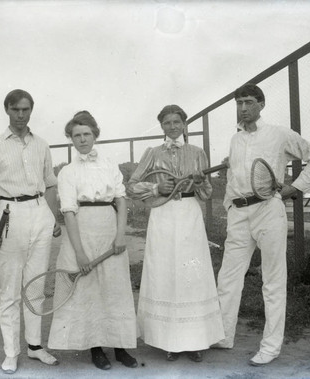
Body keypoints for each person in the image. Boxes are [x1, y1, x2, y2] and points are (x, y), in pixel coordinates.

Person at [214, 83, 310, 366]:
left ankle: (271, 346)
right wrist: (229, 206)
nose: (242, 108)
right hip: (239, 214)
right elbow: (234, 178)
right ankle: (224, 336)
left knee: (273, 281)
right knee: (228, 279)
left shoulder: (279, 134)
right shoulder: (235, 139)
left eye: (248, 102)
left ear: (261, 104)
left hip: (268, 211)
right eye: (239, 103)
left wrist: (294, 188)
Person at [0, 89, 62, 374]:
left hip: (40, 215)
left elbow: (49, 184)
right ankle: (11, 352)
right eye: (15, 110)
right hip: (9, 216)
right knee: (10, 291)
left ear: (31, 110)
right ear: (7, 111)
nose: (21, 115)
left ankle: (34, 346)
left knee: (36, 286)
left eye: (25, 109)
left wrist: (53, 217)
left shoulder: (42, 145)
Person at [127, 105, 225, 362]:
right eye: (167, 122)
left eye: (177, 122)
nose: (172, 127)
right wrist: (157, 187)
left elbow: (206, 194)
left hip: (189, 215)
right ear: (161, 126)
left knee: (191, 273)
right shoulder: (152, 153)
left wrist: (201, 182)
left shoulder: (197, 153)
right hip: (162, 214)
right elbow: (132, 186)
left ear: (184, 124)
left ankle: (194, 341)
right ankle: (168, 340)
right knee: (166, 271)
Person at [47, 111, 138, 370]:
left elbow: (121, 200)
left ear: (95, 135)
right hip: (81, 233)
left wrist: (120, 235)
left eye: (87, 134)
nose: (82, 139)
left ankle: (120, 347)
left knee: (115, 288)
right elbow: (68, 212)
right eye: (77, 135)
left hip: (110, 230)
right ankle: (95, 348)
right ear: (71, 139)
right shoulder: (67, 172)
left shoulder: (110, 165)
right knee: (87, 291)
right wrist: (80, 253)